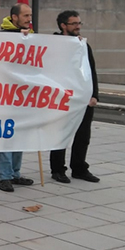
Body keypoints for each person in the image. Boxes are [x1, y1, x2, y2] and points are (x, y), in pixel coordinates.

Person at [50, 11, 100, 183]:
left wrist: (95, 95)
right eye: (74, 24)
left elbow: (91, 71)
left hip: (83, 98)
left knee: (83, 136)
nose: (78, 26)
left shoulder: (83, 45)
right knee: (61, 135)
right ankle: (57, 169)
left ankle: (79, 168)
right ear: (63, 25)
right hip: (63, 98)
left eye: (79, 23)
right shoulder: (53, 44)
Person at [0, 3, 35, 192]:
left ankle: (14, 173)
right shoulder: (2, 37)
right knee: (6, 136)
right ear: (14, 17)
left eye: (30, 15)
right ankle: (4, 176)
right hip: (6, 96)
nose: (29, 19)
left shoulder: (28, 36)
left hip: (23, 95)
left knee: (19, 134)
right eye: (25, 15)